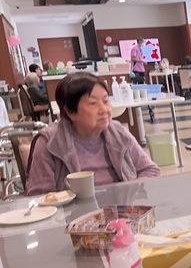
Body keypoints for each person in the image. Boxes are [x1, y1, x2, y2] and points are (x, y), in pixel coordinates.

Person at [26, 73, 160, 196]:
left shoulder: (118, 132)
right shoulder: (50, 142)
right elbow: (39, 195)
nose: (104, 110)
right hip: (74, 213)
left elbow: (150, 170)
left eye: (106, 101)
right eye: (93, 103)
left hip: (123, 209)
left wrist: (131, 193)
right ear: (70, 112)